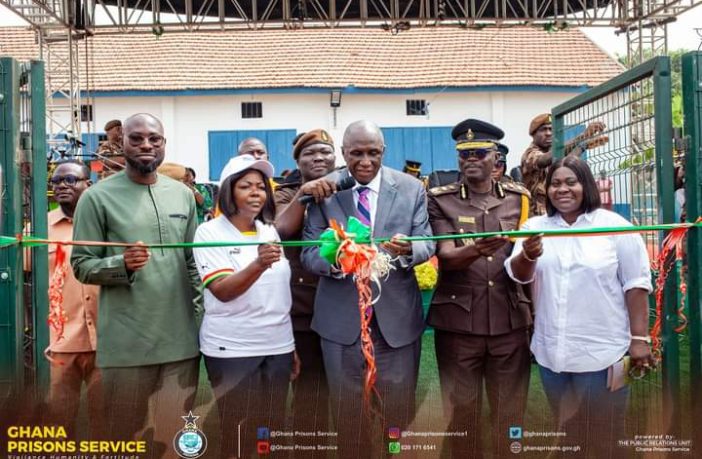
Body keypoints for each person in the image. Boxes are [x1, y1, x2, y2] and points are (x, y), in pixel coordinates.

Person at [506, 156, 654, 457]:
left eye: (570, 182)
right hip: (553, 355)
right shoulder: (535, 226)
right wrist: (529, 254)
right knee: (569, 436)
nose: (563, 189)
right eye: (555, 183)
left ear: (585, 185)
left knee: (607, 436)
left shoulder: (614, 226)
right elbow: (518, 274)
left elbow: (636, 283)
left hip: (604, 354)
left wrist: (640, 339)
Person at [301, 120, 435, 456]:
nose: (365, 161)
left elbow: (427, 241)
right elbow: (308, 252)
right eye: (356, 153)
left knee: (398, 416)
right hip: (340, 323)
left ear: (384, 152)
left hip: (396, 324)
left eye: (373, 153)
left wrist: (410, 250)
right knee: (348, 416)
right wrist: (337, 261)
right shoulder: (325, 190)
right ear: (343, 153)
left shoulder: (409, 187)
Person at [71, 113, 200, 458]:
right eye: (137, 138)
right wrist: (120, 264)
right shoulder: (96, 198)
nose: (146, 146)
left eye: (154, 139)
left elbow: (193, 262)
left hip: (181, 343)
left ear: (164, 144)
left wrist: (201, 317)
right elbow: (80, 265)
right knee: (125, 439)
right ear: (121, 143)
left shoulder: (183, 196)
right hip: (127, 346)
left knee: (179, 442)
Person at [427, 119, 532, 458]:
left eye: (479, 153)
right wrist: (478, 249)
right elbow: (446, 257)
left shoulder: (520, 199)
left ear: (495, 158)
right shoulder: (440, 200)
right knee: (462, 411)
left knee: (510, 410)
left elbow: (528, 257)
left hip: (509, 319)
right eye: (464, 154)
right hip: (459, 323)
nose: (471, 159)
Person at [193, 154, 295, 458]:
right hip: (232, 348)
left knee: (271, 427)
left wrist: (291, 346)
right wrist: (259, 264)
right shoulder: (209, 232)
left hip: (278, 346)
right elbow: (223, 291)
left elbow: (277, 294)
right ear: (228, 191)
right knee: (238, 429)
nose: (256, 192)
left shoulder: (268, 230)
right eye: (246, 186)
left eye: (261, 187)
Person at [274, 129, 337, 433]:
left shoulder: (349, 188)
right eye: (309, 153)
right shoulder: (286, 192)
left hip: (343, 301)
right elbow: (281, 230)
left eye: (325, 152)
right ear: (297, 161)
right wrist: (305, 193)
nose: (318, 158)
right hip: (304, 306)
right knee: (309, 391)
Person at [42, 160, 103, 437]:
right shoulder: (40, 230)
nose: (61, 186)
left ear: (88, 184)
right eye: (56, 182)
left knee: (108, 422)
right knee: (58, 422)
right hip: (60, 342)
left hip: (107, 340)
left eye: (70, 180)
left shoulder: (107, 223)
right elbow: (27, 281)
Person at [520, 113, 607, 216]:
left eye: (551, 129)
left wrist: (583, 146)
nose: (548, 133)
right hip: (536, 214)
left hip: (554, 211)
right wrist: (583, 136)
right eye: (543, 129)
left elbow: (565, 162)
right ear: (533, 134)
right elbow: (544, 160)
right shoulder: (530, 154)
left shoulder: (553, 153)